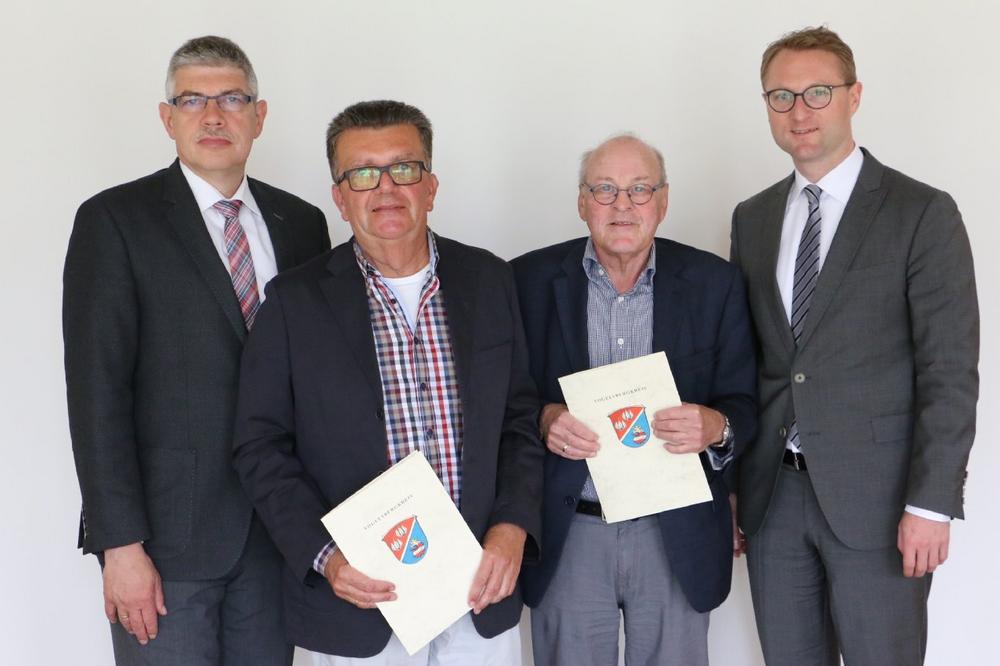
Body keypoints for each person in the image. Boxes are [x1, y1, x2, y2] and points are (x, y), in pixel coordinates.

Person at [231, 99, 543, 665]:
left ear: (431, 185)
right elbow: (260, 447)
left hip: (479, 588)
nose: (386, 188)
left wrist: (513, 526)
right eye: (362, 173)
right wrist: (326, 557)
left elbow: (520, 421)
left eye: (403, 168)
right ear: (340, 197)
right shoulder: (293, 303)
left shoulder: (490, 280)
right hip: (360, 604)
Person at [63, 35, 331, 665]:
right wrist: (120, 544)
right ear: (168, 118)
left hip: (278, 535)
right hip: (165, 545)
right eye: (192, 100)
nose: (213, 116)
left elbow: (322, 380)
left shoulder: (302, 224)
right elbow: (97, 392)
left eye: (232, 98)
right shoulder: (115, 221)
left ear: (259, 116)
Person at [730, 26, 979, 665]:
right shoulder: (752, 218)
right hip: (773, 500)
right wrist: (732, 487)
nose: (799, 111)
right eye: (781, 97)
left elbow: (949, 371)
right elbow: (748, 361)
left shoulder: (921, 212)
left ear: (854, 96)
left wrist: (932, 504)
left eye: (817, 92)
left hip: (881, 501)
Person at [511, 135, 757, 666]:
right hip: (569, 529)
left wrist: (716, 426)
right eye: (605, 189)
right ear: (582, 202)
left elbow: (745, 400)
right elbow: (502, 397)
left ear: (663, 202)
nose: (622, 205)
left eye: (639, 189)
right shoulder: (525, 280)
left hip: (675, 532)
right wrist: (543, 417)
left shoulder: (715, 283)